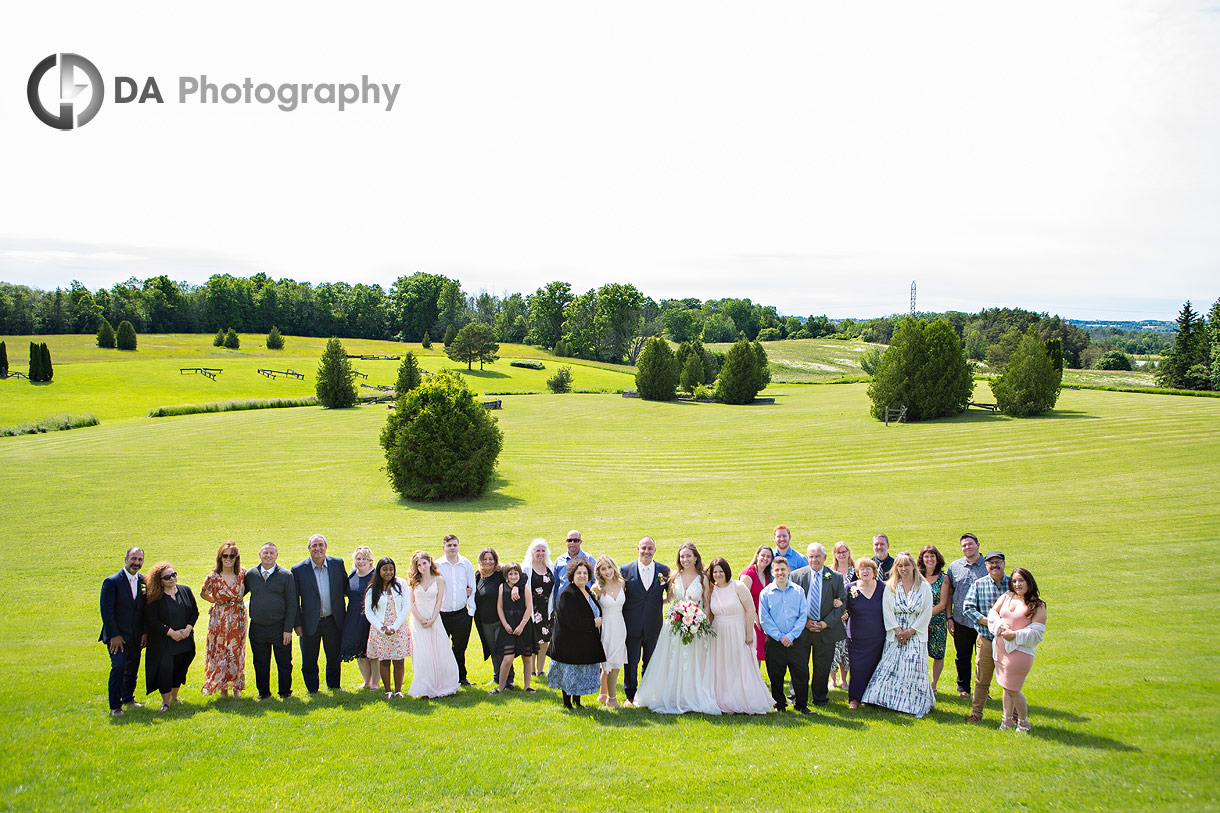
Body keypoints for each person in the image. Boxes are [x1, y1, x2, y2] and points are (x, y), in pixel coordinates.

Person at [634, 542, 721, 715]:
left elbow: (707, 603)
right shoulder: (674, 575)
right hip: (674, 625)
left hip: (696, 626)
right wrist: (654, 602)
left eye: (688, 556)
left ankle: (690, 695)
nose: (685, 559)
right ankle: (672, 695)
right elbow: (670, 598)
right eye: (682, 556)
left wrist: (700, 622)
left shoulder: (703, 578)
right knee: (672, 660)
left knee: (691, 661)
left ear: (696, 557)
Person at [860, 552, 935, 717]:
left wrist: (910, 631)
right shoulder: (891, 586)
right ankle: (889, 700)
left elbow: (926, 612)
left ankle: (914, 703)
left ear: (913, 567)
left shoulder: (924, 587)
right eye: (900, 566)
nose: (903, 569)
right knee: (891, 667)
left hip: (916, 633)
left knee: (912, 668)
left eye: (907, 565)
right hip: (895, 633)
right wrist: (898, 630)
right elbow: (887, 610)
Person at [707, 557, 773, 714]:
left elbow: (751, 610)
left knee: (740, 666)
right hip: (719, 633)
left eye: (721, 571)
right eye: (715, 572)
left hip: (738, 630)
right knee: (722, 667)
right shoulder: (711, 590)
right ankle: (723, 699)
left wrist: (749, 634)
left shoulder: (738, 586)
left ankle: (745, 700)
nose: (718, 574)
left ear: (727, 571)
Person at [988, 567, 1047, 732]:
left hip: (1020, 653)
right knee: (1006, 687)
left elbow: (1037, 633)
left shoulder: (1037, 605)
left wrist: (1014, 634)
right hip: (1000, 650)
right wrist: (1000, 626)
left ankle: (1023, 722)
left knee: (1013, 689)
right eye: (1014, 581)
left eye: (1021, 580)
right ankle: (1006, 720)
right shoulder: (1007, 596)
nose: (1017, 584)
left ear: (1029, 582)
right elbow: (993, 613)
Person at [789, 542, 847, 707]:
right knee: (799, 665)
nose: (814, 560)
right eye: (811, 556)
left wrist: (825, 623)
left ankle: (820, 697)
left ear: (825, 558)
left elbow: (842, 604)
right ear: (807, 557)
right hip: (802, 629)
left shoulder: (835, 577)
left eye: (817, 557)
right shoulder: (796, 576)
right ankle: (796, 697)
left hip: (825, 630)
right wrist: (806, 623)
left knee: (822, 667)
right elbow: (792, 604)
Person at [291, 534, 346, 694]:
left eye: (320, 545)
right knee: (309, 659)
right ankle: (312, 689)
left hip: (333, 620)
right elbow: (294, 600)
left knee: (334, 657)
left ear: (326, 547)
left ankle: (334, 686)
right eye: (314, 545)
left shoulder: (337, 564)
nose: (318, 548)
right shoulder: (298, 569)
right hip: (309, 622)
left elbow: (345, 587)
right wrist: (298, 624)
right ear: (309, 549)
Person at [547, 559, 605, 709]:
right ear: (572, 575)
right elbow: (571, 621)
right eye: (578, 573)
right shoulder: (568, 594)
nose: (582, 576)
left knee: (578, 673)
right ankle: (567, 704)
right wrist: (593, 623)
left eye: (585, 573)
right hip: (568, 643)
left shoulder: (587, 592)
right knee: (569, 673)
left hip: (582, 642)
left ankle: (577, 702)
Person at [620, 536, 670, 706]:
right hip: (631, 624)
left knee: (651, 661)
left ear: (655, 550)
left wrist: (657, 603)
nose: (646, 551)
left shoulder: (664, 570)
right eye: (643, 548)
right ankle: (630, 695)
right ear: (637, 549)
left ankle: (648, 693)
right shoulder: (625, 570)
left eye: (650, 548)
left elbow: (670, 595)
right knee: (631, 662)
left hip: (653, 624)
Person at [243, 542, 297, 699]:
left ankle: (285, 692)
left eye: (271, 553)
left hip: (279, 627)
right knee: (260, 663)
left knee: (285, 662)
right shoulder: (251, 575)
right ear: (259, 555)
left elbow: (292, 604)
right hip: (257, 627)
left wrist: (288, 629)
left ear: (276, 556)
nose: (268, 556)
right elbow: (239, 594)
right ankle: (264, 693)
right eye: (265, 553)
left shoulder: (286, 576)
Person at [758, 556, 811, 715]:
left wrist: (791, 636)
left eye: (783, 570)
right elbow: (764, 618)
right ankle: (779, 704)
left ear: (788, 571)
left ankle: (801, 704)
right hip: (775, 642)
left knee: (801, 673)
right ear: (772, 572)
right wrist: (780, 636)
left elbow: (803, 616)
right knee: (776, 675)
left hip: (796, 641)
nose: (780, 573)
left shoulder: (798, 591)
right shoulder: (766, 593)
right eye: (777, 570)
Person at [962, 551, 1010, 723]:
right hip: (986, 639)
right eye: (991, 563)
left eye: (998, 562)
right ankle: (976, 713)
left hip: (1009, 641)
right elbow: (967, 608)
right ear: (986, 566)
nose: (995, 565)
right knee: (982, 679)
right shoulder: (979, 584)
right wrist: (990, 622)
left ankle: (1012, 716)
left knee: (1009, 681)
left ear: (1004, 564)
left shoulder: (1014, 583)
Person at [143, 562, 199, 711]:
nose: (172, 578)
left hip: (185, 638)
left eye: (174, 574)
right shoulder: (155, 597)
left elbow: (194, 612)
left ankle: (175, 697)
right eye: (167, 577)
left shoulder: (185, 590)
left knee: (180, 667)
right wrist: (171, 633)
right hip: (164, 641)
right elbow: (152, 620)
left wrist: (188, 629)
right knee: (165, 669)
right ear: (159, 580)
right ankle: (166, 702)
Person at [99, 547, 146, 716]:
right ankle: (115, 706)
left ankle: (128, 698)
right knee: (118, 667)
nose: (136, 563)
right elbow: (107, 611)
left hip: (135, 635)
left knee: (132, 668)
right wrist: (114, 635)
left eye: (140, 560)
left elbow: (144, 610)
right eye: (133, 559)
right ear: (125, 559)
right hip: (117, 636)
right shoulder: (112, 582)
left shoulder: (143, 581)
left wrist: (144, 632)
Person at [407, 551, 461, 698]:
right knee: (423, 654)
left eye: (424, 563)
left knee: (439, 651)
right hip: (418, 621)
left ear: (430, 562)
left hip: (434, 618)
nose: (422, 567)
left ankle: (442, 683)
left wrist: (432, 619)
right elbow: (411, 602)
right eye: (419, 565)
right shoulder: (413, 582)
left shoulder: (438, 580)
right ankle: (424, 685)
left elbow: (439, 601)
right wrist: (420, 619)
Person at [200, 542, 246, 697]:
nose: (228, 559)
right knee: (219, 650)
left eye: (231, 556)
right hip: (219, 618)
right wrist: (217, 602)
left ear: (236, 558)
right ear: (220, 557)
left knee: (236, 650)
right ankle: (221, 686)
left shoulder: (242, 574)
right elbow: (203, 593)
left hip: (237, 617)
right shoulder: (212, 577)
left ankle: (237, 687)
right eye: (225, 555)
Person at [944, 532, 987, 697]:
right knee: (962, 656)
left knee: (983, 659)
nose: (967, 548)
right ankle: (963, 689)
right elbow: (949, 594)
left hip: (983, 620)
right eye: (964, 545)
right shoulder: (955, 567)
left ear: (978, 545)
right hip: (960, 620)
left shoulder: (988, 565)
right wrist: (949, 618)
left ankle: (983, 690)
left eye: (970, 544)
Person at [365, 557, 411, 698]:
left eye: (391, 569)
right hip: (381, 630)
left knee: (399, 661)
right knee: (384, 661)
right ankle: (388, 691)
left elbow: (406, 607)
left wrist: (394, 627)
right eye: (385, 569)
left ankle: (398, 691)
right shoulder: (373, 589)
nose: (388, 572)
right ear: (379, 571)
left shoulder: (401, 584)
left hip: (398, 629)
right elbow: (369, 612)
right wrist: (382, 627)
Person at [844, 557, 885, 709]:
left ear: (874, 572)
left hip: (877, 635)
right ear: (857, 572)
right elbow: (843, 607)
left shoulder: (883, 587)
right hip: (856, 636)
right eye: (862, 569)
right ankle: (854, 699)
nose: (865, 571)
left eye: (868, 568)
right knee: (857, 668)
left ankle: (870, 698)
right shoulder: (850, 588)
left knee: (875, 667)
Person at [492, 561, 536, 695]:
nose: (513, 576)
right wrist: (505, 624)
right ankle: (500, 687)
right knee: (508, 659)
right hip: (508, 626)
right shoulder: (502, 587)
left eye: (516, 573)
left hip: (524, 625)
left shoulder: (524, 587)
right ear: (506, 576)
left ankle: (527, 686)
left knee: (527, 658)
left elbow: (529, 607)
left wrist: (522, 625)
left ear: (519, 575)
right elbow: (499, 607)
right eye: (510, 574)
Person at [437, 534, 476, 687]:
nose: (452, 548)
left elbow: (472, 588)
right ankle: (444, 679)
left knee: (460, 647)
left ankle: (461, 677)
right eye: (449, 545)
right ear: (443, 548)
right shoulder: (438, 565)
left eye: (455, 545)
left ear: (458, 546)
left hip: (462, 613)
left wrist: (470, 612)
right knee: (442, 648)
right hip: (442, 613)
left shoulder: (465, 564)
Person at [339, 545, 379, 690]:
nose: (361, 561)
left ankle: (375, 682)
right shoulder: (352, 574)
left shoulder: (376, 576)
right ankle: (366, 681)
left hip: (371, 617)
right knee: (359, 651)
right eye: (358, 558)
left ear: (370, 561)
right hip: (353, 616)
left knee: (372, 651)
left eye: (364, 559)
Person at [474, 548, 514, 687]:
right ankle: (497, 677)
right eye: (485, 559)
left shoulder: (500, 574)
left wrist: (515, 587)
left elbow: (520, 576)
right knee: (493, 650)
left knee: (502, 649)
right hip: (484, 621)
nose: (488, 562)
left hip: (501, 620)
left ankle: (508, 680)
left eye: (491, 559)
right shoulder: (477, 576)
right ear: (480, 561)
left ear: (495, 560)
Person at [592, 555, 626, 707]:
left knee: (616, 662)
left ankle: (604, 695)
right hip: (606, 628)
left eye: (609, 567)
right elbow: (592, 610)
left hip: (620, 625)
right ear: (599, 571)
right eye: (603, 569)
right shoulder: (596, 588)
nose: (607, 571)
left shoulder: (621, 583)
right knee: (607, 663)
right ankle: (611, 699)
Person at [918, 544, 949, 693]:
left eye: (932, 556)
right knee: (919, 651)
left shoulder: (944, 578)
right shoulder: (917, 576)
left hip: (937, 621)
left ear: (937, 559)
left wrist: (925, 615)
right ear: (922, 559)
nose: (929, 559)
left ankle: (933, 685)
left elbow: (943, 604)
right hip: (918, 622)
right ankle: (920, 682)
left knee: (938, 653)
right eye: (926, 556)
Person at [524, 539, 555, 678]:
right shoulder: (526, 568)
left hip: (547, 610)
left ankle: (540, 670)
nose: (540, 553)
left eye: (543, 550)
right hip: (532, 610)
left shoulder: (550, 567)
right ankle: (530, 670)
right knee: (532, 641)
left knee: (544, 641)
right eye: (538, 551)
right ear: (532, 552)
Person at [828, 541, 855, 689]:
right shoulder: (830, 572)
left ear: (848, 552)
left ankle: (844, 679)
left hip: (851, 617)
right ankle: (832, 679)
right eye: (839, 552)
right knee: (833, 648)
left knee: (846, 649)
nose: (842, 555)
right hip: (834, 616)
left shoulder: (856, 571)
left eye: (844, 551)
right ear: (835, 555)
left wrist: (848, 612)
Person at [740, 545, 772, 663]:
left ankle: (757, 679)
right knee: (754, 650)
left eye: (769, 556)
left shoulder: (767, 574)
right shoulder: (748, 574)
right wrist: (755, 618)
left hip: (763, 615)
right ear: (757, 556)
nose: (765, 558)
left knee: (761, 650)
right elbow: (742, 599)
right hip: (751, 616)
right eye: (763, 555)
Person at [553, 530, 597, 601]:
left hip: (584, 602)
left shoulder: (589, 559)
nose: (572, 543)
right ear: (566, 541)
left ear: (580, 542)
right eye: (569, 540)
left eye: (575, 540)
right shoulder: (559, 561)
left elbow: (596, 582)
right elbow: (556, 585)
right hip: (564, 603)